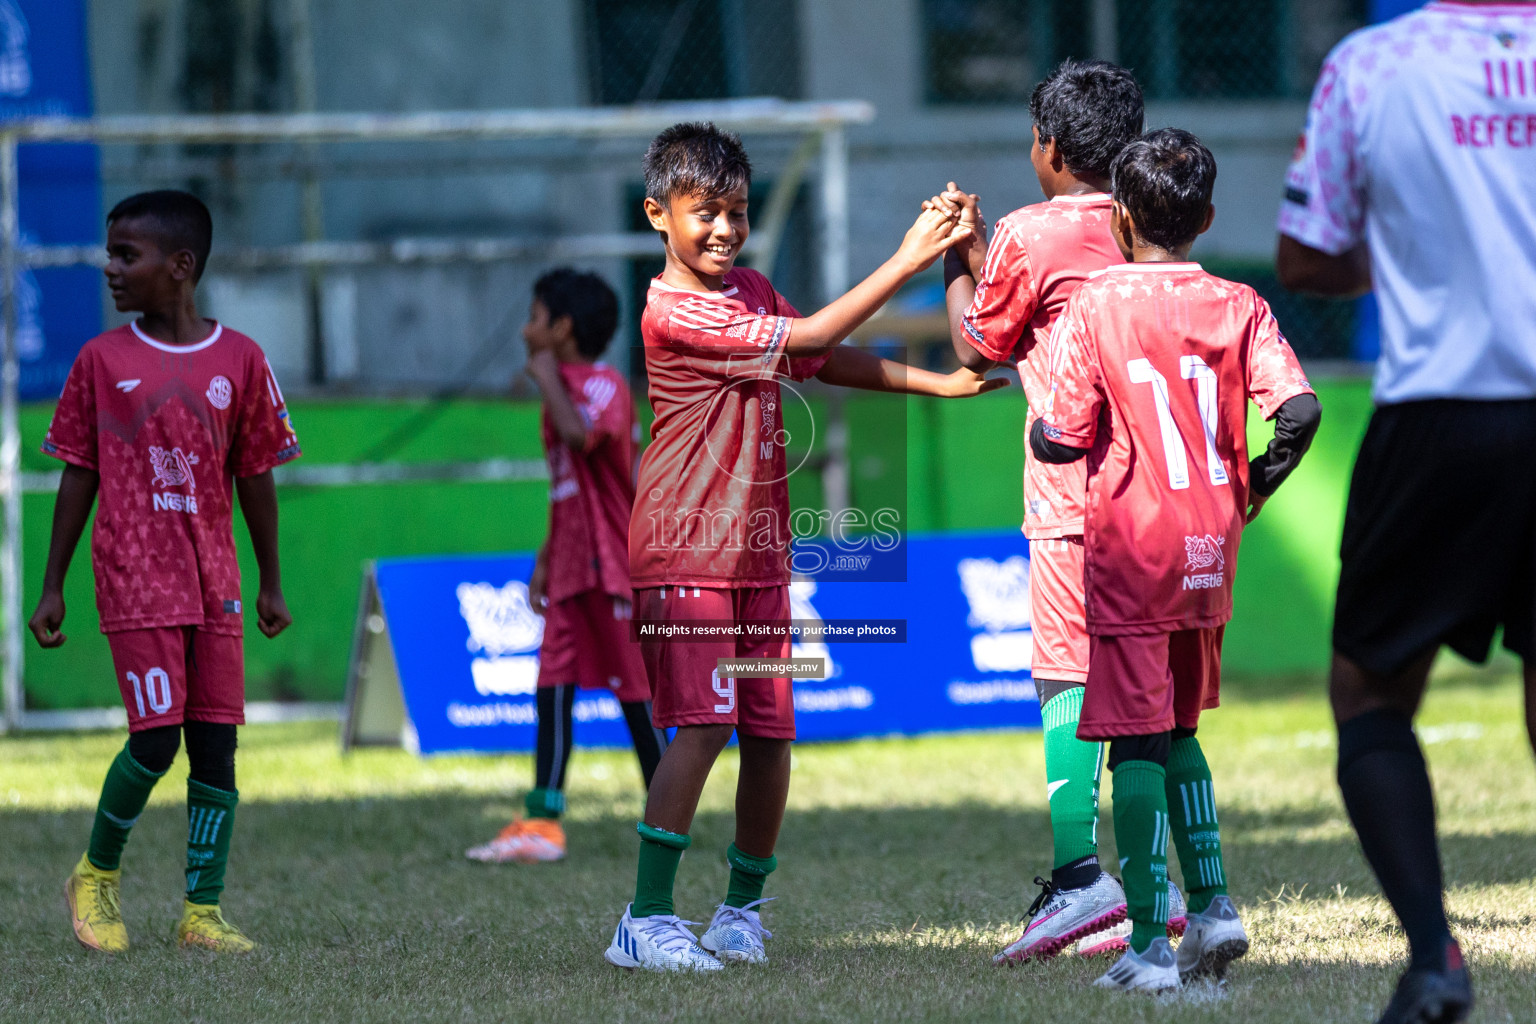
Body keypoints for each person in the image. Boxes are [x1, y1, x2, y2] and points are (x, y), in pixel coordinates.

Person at [604, 121, 1004, 973]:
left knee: (770, 731)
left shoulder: (748, 288)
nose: (724, 229)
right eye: (704, 212)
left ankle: (741, 912)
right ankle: (643, 918)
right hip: (687, 552)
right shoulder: (672, 311)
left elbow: (820, 361)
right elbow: (815, 335)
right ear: (656, 215)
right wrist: (906, 259)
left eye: (737, 211)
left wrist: (940, 380)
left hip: (757, 558)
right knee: (705, 725)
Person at [1276, 3, 1536, 1021]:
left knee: (1372, 695)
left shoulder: (1372, 63)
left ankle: (1435, 957)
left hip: (1441, 415)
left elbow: (1305, 256)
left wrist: (1432, 260)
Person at [1031, 129, 1321, 992]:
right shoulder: (1240, 304)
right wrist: (1252, 487)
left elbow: (1063, 433)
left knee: (1136, 745)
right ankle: (1218, 907)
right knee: (1184, 728)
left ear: (1121, 218)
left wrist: (1047, 436)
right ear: (1207, 217)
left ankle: (1152, 946)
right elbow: (1300, 412)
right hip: (1210, 545)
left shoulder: (1095, 306)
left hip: (1132, 550)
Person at [929, 58, 1189, 964]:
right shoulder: (1147, 224)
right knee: (1157, 706)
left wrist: (957, 263)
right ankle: (1165, 889)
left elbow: (977, 348)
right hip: (1167, 501)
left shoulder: (1032, 233)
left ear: (1048, 147)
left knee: (1065, 679)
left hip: (1075, 495)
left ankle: (1082, 882)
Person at [30, 189, 300, 954]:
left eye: (126, 255)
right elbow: (77, 471)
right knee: (155, 742)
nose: (110, 268)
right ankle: (96, 875)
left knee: (216, 745)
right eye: (111, 252)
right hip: (134, 577)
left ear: (180, 267)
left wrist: (271, 577)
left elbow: (254, 473)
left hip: (213, 579)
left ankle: (201, 913)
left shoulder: (241, 359)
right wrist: (53, 583)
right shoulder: (100, 360)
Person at [465, 268, 668, 864]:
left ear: (562, 328)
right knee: (551, 686)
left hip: (614, 565)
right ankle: (542, 820)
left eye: (534, 318)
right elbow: (568, 486)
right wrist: (545, 559)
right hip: (573, 567)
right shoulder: (559, 389)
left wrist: (547, 377)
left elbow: (582, 440)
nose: (526, 330)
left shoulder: (603, 385)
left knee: (634, 692)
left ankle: (667, 807)